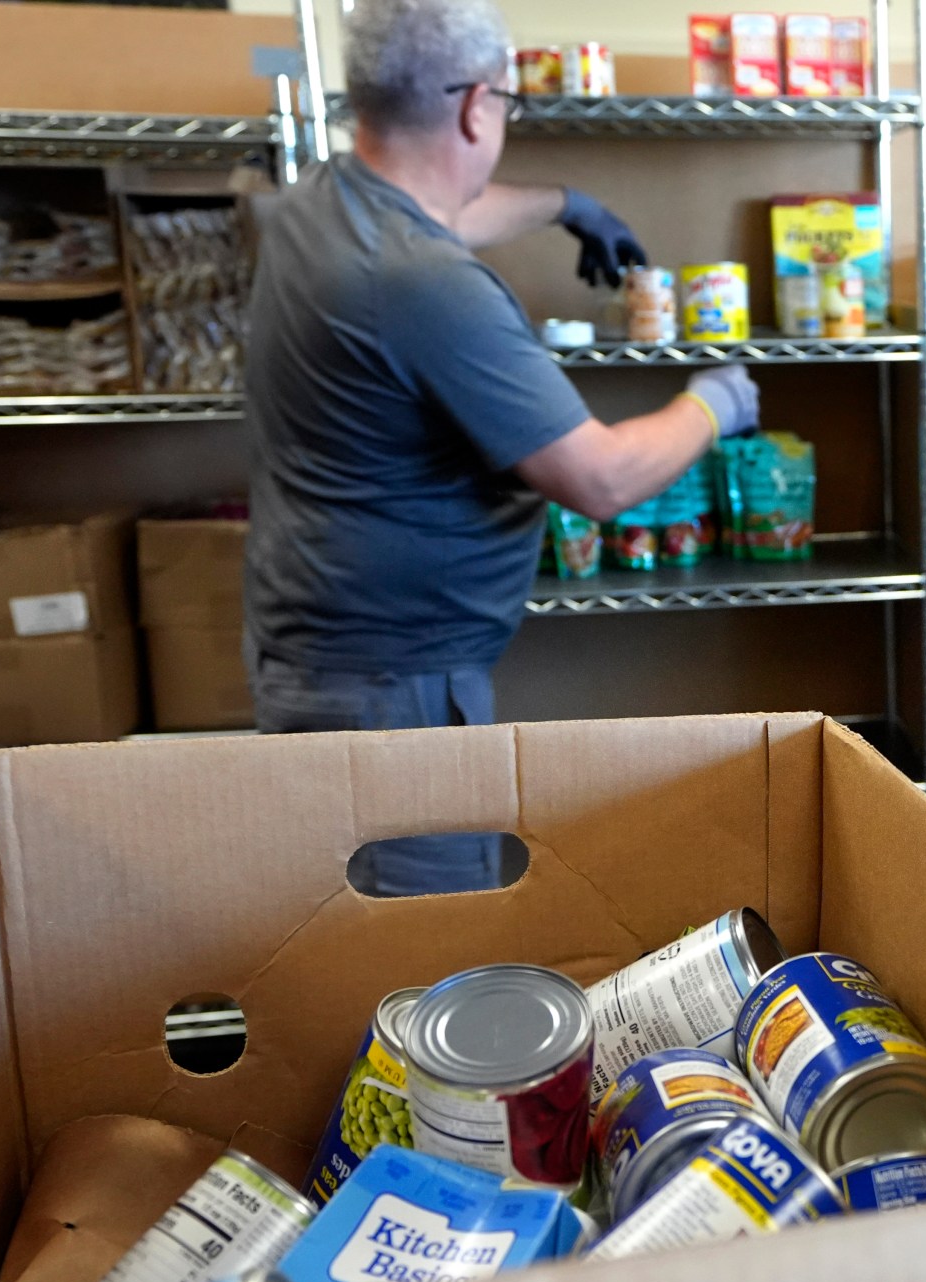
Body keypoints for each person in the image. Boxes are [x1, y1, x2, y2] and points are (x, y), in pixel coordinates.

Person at [243, 0, 759, 896]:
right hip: (390, 697)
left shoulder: (319, 207)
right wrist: (714, 402)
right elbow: (600, 479)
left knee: (355, 945)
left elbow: (437, 217)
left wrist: (565, 205)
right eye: (508, 105)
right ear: (478, 107)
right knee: (420, 963)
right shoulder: (425, 284)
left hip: (326, 654)